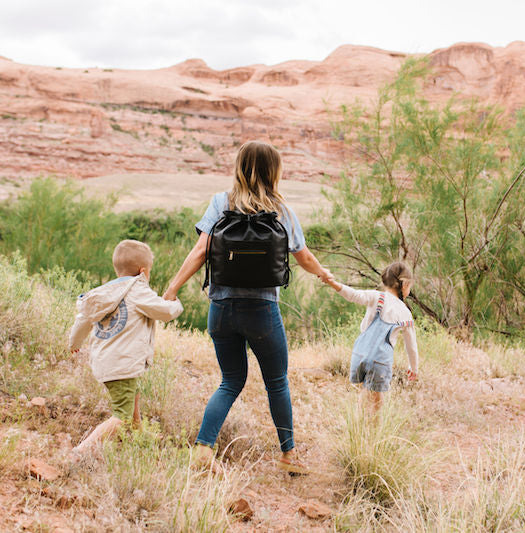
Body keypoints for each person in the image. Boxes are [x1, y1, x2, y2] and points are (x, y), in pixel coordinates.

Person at [162, 140, 332, 475]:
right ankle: (288, 456)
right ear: (275, 171)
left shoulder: (220, 202)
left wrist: (172, 287)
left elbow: (200, 252)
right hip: (262, 310)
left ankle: (203, 448)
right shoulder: (282, 210)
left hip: (221, 307)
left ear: (240, 167)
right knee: (277, 382)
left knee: (230, 380)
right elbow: (305, 256)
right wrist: (325, 275)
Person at [68, 239, 183, 457]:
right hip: (122, 361)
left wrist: (75, 343)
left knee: (131, 395)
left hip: (104, 360)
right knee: (122, 415)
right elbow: (164, 312)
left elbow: (83, 319)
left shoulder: (102, 293)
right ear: (143, 272)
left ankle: (139, 436)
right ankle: (82, 450)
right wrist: (174, 302)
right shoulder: (138, 290)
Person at [322, 261, 419, 410]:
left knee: (364, 391)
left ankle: (359, 424)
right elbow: (411, 346)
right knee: (376, 401)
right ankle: (373, 431)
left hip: (360, 354)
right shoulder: (405, 312)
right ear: (404, 284)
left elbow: (353, 295)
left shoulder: (376, 297)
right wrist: (414, 368)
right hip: (380, 360)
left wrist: (333, 283)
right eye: (410, 287)